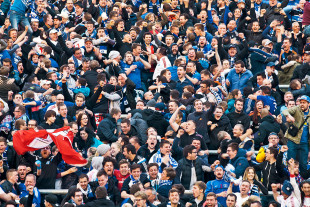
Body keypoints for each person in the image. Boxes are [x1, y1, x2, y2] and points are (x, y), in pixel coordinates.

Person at [282, 95, 310, 173]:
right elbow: (285, 111)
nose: (301, 104)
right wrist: (289, 116)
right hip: (293, 140)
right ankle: (290, 180)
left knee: (303, 165)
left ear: (309, 104)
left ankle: (303, 182)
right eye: (300, 102)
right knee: (290, 162)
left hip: (305, 143)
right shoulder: (296, 109)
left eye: (304, 102)